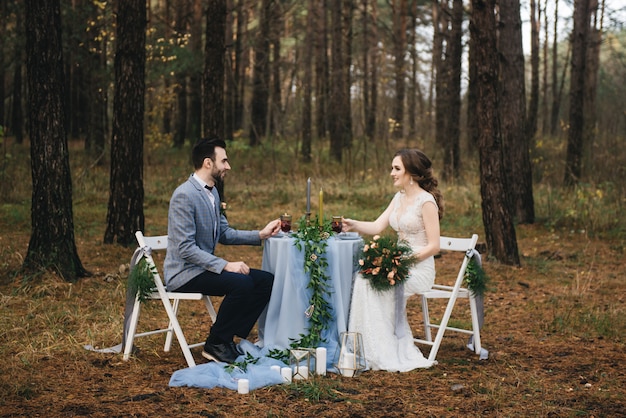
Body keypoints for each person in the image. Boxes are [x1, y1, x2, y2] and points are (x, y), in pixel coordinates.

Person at [164, 137, 281, 364]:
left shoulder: (213, 192)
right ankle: (216, 342)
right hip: (184, 273)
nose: (228, 166)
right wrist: (226, 265)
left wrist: (260, 234)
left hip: (202, 268)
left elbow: (224, 233)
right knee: (242, 283)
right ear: (208, 163)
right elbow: (185, 248)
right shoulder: (184, 195)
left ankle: (228, 338)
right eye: (224, 161)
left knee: (266, 281)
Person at [342, 148, 444, 372]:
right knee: (363, 279)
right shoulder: (399, 198)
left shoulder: (426, 202)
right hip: (396, 264)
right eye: (392, 168)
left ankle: (387, 349)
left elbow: (434, 246)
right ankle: (367, 347)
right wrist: (353, 224)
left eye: (397, 168)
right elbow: (378, 226)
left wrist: (402, 261)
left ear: (412, 172)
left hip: (418, 269)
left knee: (380, 285)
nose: (392, 173)